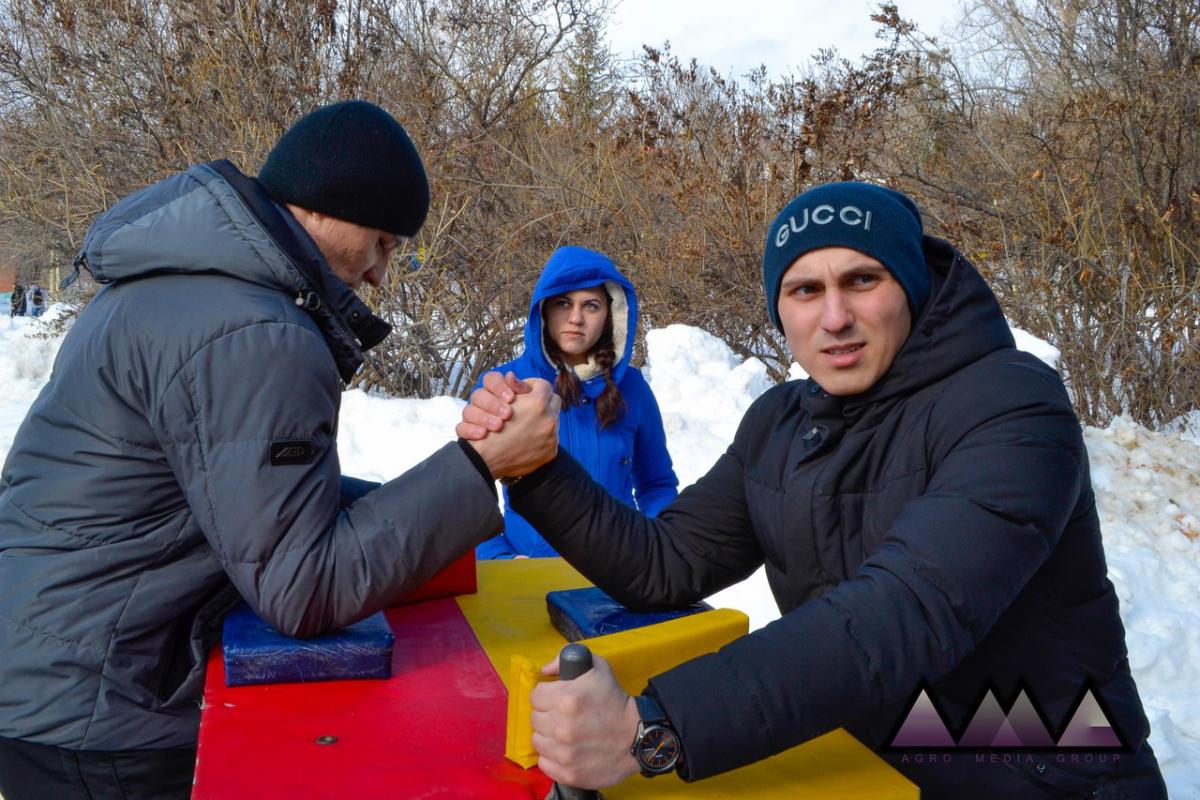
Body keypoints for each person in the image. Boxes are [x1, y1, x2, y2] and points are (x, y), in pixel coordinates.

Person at [460, 182, 1167, 798]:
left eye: (862, 281)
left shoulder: (1013, 404)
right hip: (865, 760)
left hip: (1045, 769)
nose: (834, 318)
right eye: (805, 290)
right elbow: (664, 563)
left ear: (912, 287)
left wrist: (656, 726)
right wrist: (537, 467)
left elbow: (908, 610)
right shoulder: (782, 423)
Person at [0, 100, 558, 800]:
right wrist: (481, 466)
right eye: (381, 240)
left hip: (60, 664)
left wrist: (448, 483)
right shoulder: (258, 334)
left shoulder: (177, 287)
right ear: (324, 208)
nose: (381, 272)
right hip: (104, 708)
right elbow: (304, 587)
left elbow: (246, 502)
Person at [476, 245, 678, 559]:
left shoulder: (633, 388)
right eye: (563, 303)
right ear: (543, 310)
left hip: (621, 574)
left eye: (591, 306)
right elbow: (471, 494)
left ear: (611, 315)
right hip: (524, 577)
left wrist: (648, 547)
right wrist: (499, 559)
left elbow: (658, 484)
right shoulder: (506, 385)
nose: (575, 318)